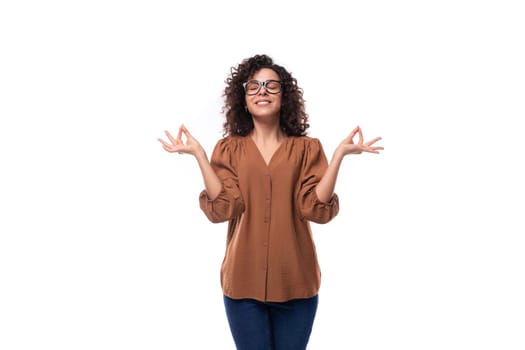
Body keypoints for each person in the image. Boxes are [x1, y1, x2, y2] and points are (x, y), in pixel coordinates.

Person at [157, 54, 383, 350]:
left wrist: (338, 156)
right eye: (254, 86)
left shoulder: (306, 148)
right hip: (242, 286)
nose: (262, 91)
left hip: (296, 285)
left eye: (271, 86)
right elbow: (224, 208)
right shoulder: (228, 149)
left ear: (284, 96)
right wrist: (200, 156)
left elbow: (315, 208)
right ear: (244, 97)